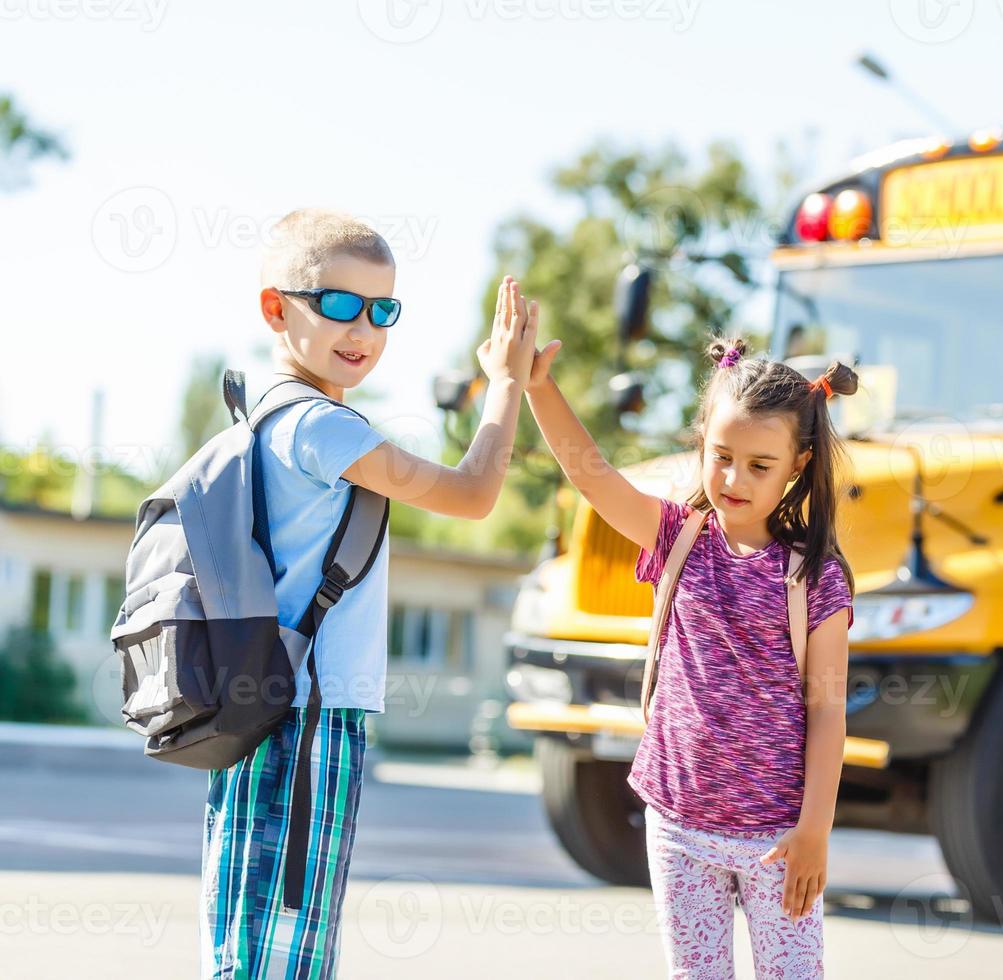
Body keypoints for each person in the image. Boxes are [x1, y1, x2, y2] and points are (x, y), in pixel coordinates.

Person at [201, 208, 539, 978]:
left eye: (383, 310)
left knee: (251, 939)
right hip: (306, 718)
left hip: (271, 706)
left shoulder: (269, 415)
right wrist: (507, 386)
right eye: (341, 304)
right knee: (284, 949)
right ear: (275, 308)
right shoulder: (324, 429)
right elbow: (474, 493)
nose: (364, 329)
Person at [525, 333, 857, 978]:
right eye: (721, 456)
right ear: (702, 442)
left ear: (798, 463)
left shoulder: (817, 579)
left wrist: (814, 830)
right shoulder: (677, 537)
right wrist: (539, 385)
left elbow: (828, 713)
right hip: (678, 825)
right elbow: (592, 476)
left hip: (778, 839)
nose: (735, 479)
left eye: (760, 465)